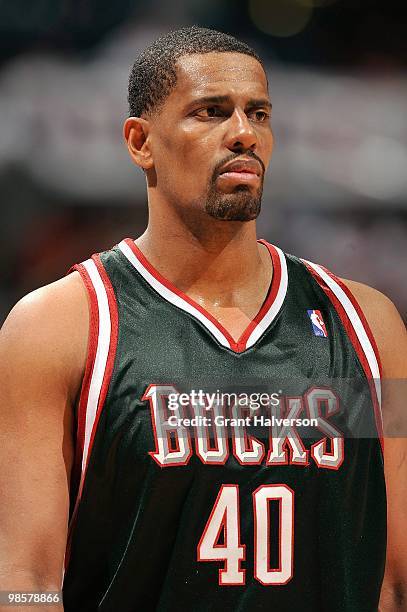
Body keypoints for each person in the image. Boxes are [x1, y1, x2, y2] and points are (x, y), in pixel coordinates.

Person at [0, 26, 406, 612]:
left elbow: (393, 580)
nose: (243, 134)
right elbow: (26, 583)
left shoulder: (368, 326)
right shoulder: (60, 326)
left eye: (258, 113)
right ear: (141, 142)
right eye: (210, 112)